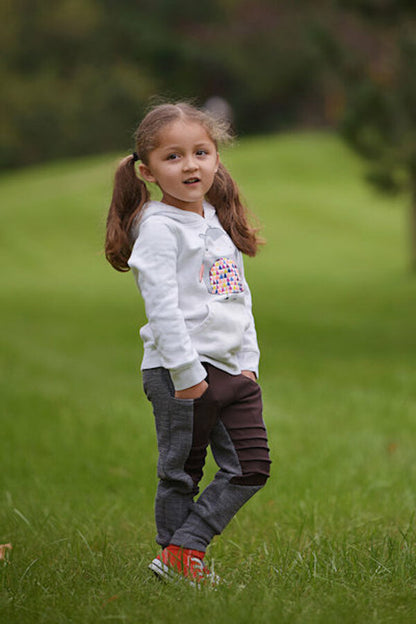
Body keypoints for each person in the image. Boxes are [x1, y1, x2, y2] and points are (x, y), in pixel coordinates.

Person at [105, 102, 271, 587]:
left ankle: (182, 550)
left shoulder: (218, 221)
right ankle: (181, 565)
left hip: (232, 371)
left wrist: (249, 364)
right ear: (147, 171)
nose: (190, 165)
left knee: (251, 467)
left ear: (217, 159)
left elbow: (237, 298)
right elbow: (162, 308)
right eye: (173, 157)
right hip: (181, 373)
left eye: (201, 152)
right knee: (181, 474)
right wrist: (187, 375)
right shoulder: (158, 229)